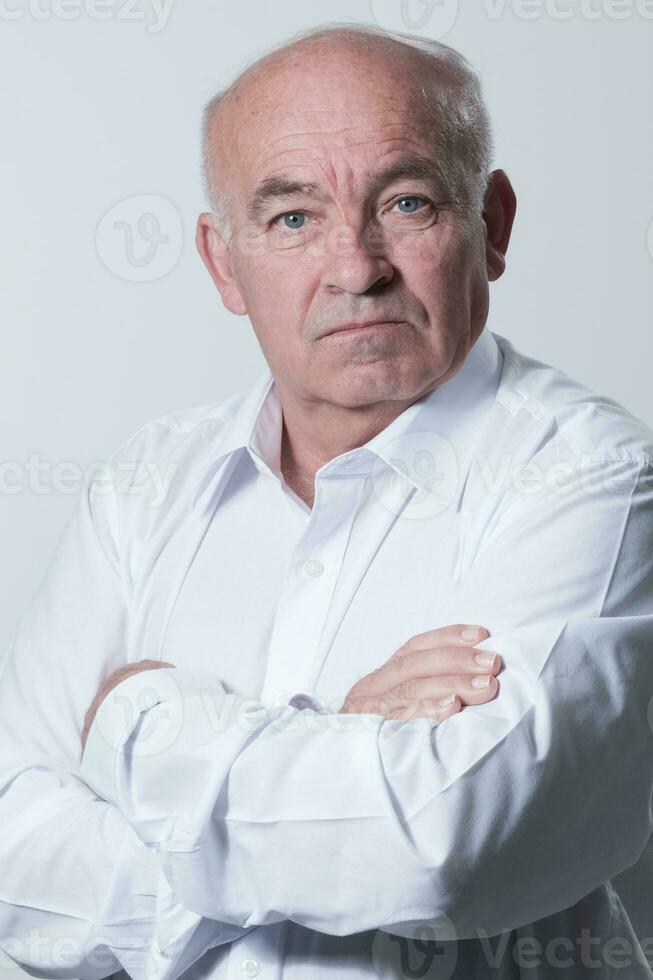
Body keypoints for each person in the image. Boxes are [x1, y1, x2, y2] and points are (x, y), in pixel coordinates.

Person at [1, 20, 653, 980]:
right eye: (293, 218)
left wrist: (138, 719)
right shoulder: (145, 486)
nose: (356, 267)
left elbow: (444, 851)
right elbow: (14, 862)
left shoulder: (596, 475)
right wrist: (342, 741)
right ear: (224, 263)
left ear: (495, 225)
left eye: (406, 202)